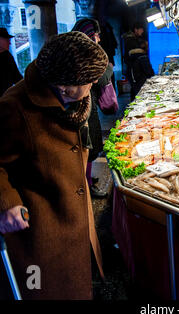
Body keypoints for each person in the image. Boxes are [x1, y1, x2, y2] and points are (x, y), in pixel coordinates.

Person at [0, 31, 109, 299]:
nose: (96, 81)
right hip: (40, 234)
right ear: (64, 85)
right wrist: (4, 202)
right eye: (89, 79)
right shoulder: (14, 109)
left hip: (73, 219)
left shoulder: (74, 100)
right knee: (41, 290)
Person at [72, 18, 113, 198]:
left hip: (85, 106)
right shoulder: (85, 53)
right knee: (87, 147)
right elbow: (101, 78)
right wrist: (108, 68)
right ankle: (86, 186)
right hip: (82, 110)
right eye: (96, 35)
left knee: (89, 146)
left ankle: (86, 182)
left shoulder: (77, 51)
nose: (99, 39)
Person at [123, 22, 149, 100]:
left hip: (136, 70)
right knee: (136, 91)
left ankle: (133, 106)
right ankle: (134, 108)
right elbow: (135, 54)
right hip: (133, 70)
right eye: (141, 29)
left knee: (136, 90)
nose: (142, 31)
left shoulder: (137, 39)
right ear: (136, 30)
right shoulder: (130, 40)